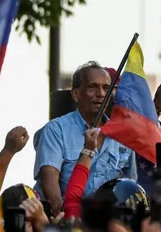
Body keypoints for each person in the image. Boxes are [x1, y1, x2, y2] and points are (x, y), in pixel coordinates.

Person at [33, 61, 136, 213]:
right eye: (92, 87)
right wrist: (69, 219)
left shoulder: (123, 134)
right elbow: (51, 187)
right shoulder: (55, 130)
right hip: (66, 220)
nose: (100, 93)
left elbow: (130, 186)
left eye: (106, 88)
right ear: (75, 94)